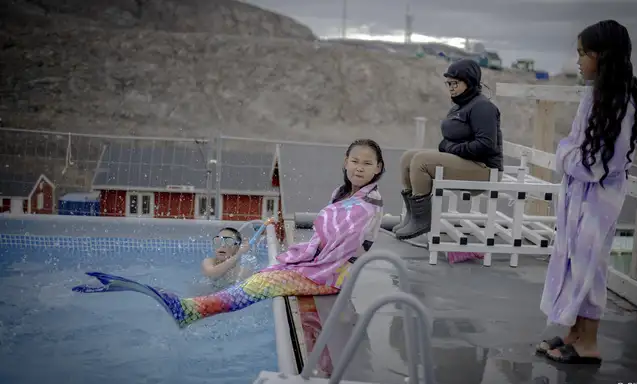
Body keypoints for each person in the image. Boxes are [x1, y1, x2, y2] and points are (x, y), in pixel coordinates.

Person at [71, 139, 386, 328]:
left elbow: (341, 245)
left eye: (367, 163)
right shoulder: (342, 193)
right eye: (354, 160)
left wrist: (306, 261)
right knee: (264, 275)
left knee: (266, 280)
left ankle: (195, 309)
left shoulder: (366, 204)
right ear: (345, 162)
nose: (359, 167)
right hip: (323, 265)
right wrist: (302, 255)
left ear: (378, 168)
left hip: (335, 275)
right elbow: (326, 234)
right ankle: (196, 307)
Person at [536, 20, 637, 364]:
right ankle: (574, 332)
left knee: (590, 266)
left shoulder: (618, 102)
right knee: (575, 261)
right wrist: (572, 151)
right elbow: (584, 147)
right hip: (584, 194)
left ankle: (589, 342)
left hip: (597, 196)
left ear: (604, 56)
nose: (578, 61)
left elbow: (599, 161)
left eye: (584, 53)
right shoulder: (600, 95)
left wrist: (565, 154)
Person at [393, 58, 503, 240]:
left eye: (455, 83)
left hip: (484, 169)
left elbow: (486, 144)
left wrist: (451, 148)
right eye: (448, 83)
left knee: (421, 161)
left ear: (469, 82)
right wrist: (449, 147)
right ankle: (412, 216)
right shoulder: (461, 105)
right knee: (408, 157)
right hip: (466, 161)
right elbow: (449, 142)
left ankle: (423, 220)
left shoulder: (483, 107)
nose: (451, 87)